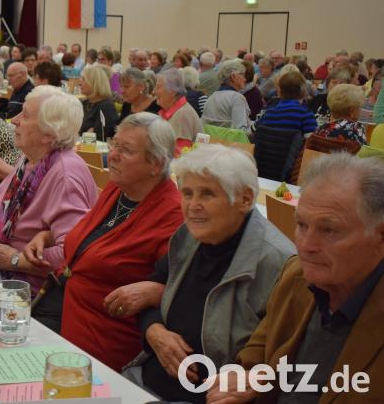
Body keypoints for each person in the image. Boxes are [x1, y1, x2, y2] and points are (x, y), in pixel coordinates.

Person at [118, 144, 294, 403]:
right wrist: (154, 331)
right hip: (142, 380)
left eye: (207, 194)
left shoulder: (278, 264)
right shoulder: (190, 235)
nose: (193, 206)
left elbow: (281, 362)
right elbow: (156, 285)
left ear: (245, 199)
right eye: (187, 193)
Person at [207, 153, 384, 403]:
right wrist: (248, 373)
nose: (306, 245)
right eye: (301, 225)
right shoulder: (297, 275)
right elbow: (262, 343)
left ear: (381, 237)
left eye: (329, 230)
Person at [24, 112, 184, 371]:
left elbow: (186, 289)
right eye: (114, 144)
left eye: (126, 150)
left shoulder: (173, 216)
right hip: (60, 310)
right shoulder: (119, 188)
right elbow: (96, 233)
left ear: (156, 163)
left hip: (101, 340)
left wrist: (157, 292)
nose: (113, 155)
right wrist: (48, 234)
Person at [0, 88, 98, 294]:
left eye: (25, 115)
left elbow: (72, 253)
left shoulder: (65, 175)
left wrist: (14, 259)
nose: (14, 120)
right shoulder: (30, 159)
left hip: (28, 288)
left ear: (48, 134)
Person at [154, 68, 202, 153]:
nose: (154, 91)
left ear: (172, 91)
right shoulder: (169, 111)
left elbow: (180, 156)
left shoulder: (182, 115)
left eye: (158, 87)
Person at [201, 59, 252, 133]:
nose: (245, 79)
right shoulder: (237, 98)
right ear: (233, 76)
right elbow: (241, 131)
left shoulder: (212, 97)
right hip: (230, 143)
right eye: (243, 75)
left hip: (211, 142)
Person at [79, 65, 118, 141]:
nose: (80, 83)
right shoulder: (85, 103)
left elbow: (99, 138)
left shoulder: (106, 107)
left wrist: (85, 135)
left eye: (84, 79)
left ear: (94, 83)